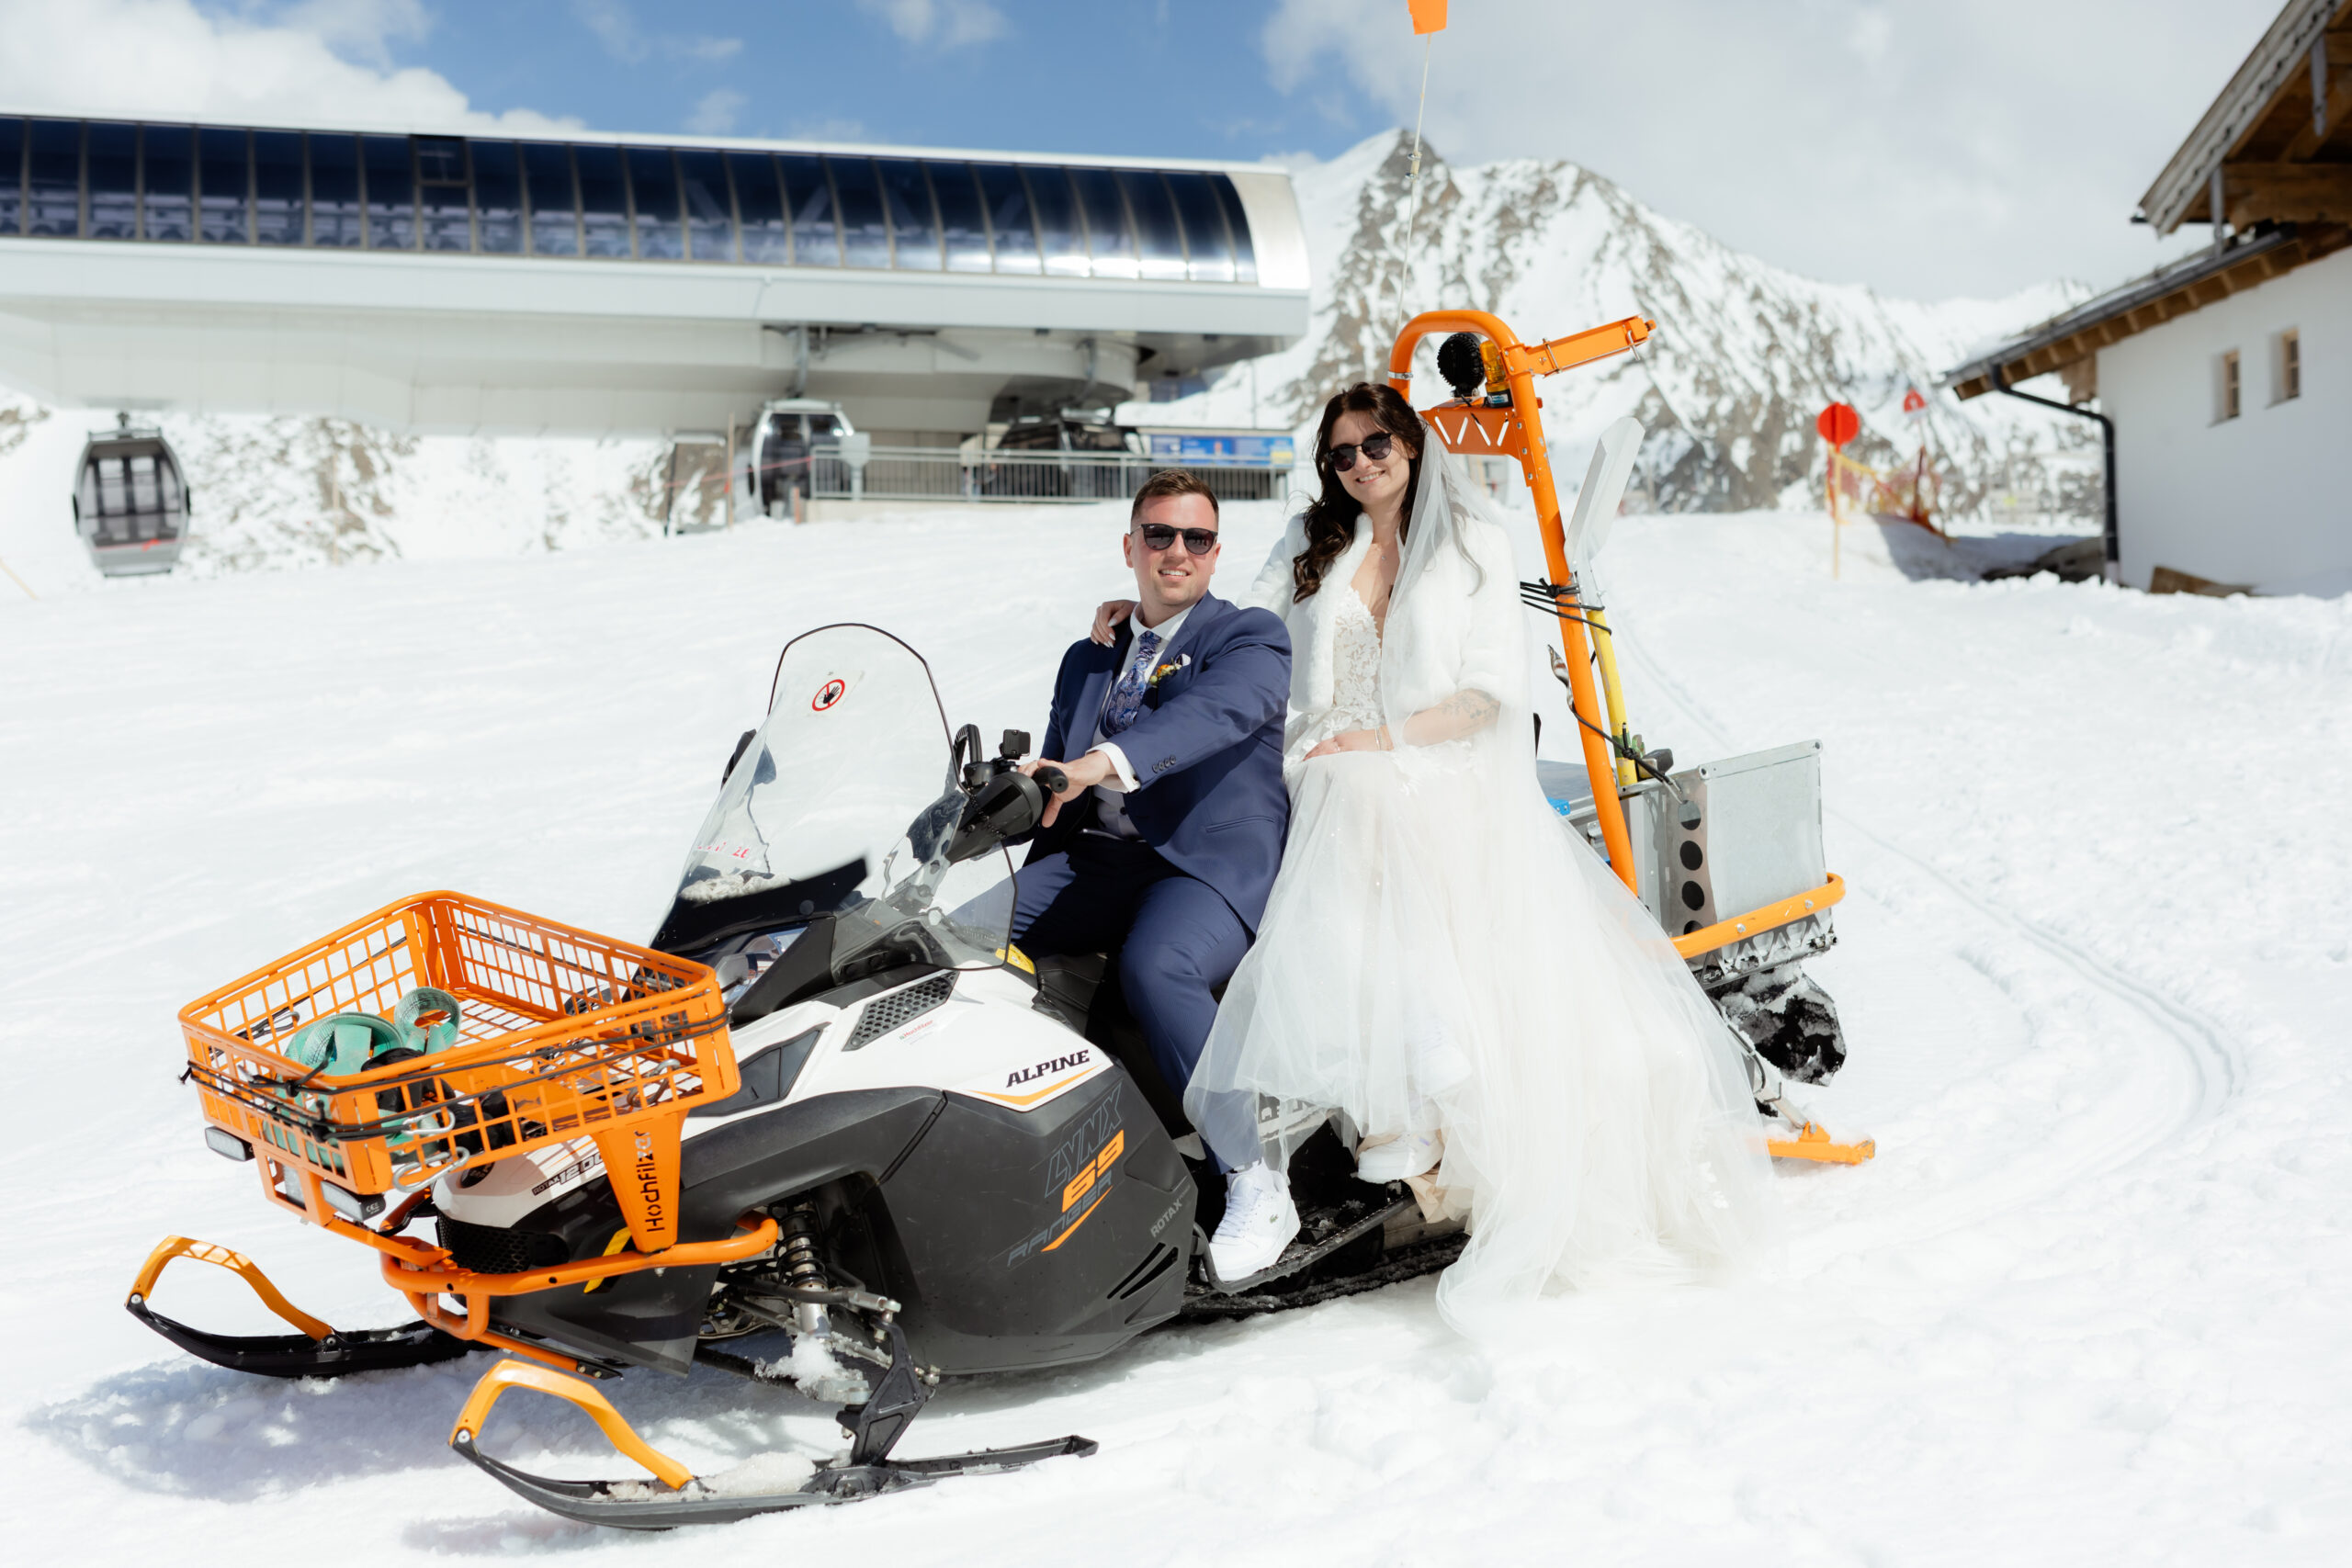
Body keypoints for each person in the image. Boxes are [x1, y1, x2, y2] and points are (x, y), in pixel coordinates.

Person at [1091, 385, 1778, 1326]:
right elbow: (1234, 632)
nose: (1362, 463)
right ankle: (1402, 1072)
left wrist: (1387, 740)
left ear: (1413, 447)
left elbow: (1486, 697)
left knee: (1361, 792)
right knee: (1338, 790)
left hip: (1438, 761)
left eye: (1378, 444)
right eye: (1341, 453)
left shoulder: (1474, 541)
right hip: (1325, 763)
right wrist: (1139, 615)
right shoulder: (1311, 545)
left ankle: (1417, 1078)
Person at [1011, 468, 1298, 1281]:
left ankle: (1254, 1174)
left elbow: (1205, 718)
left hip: (1202, 865)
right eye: (1161, 534)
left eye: (1196, 538)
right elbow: (1056, 774)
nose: (1178, 551)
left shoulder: (1248, 638)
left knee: (1158, 964)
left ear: (1214, 555)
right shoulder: (1091, 654)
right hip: (1096, 860)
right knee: (959, 942)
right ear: (1130, 545)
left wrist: (1091, 764)